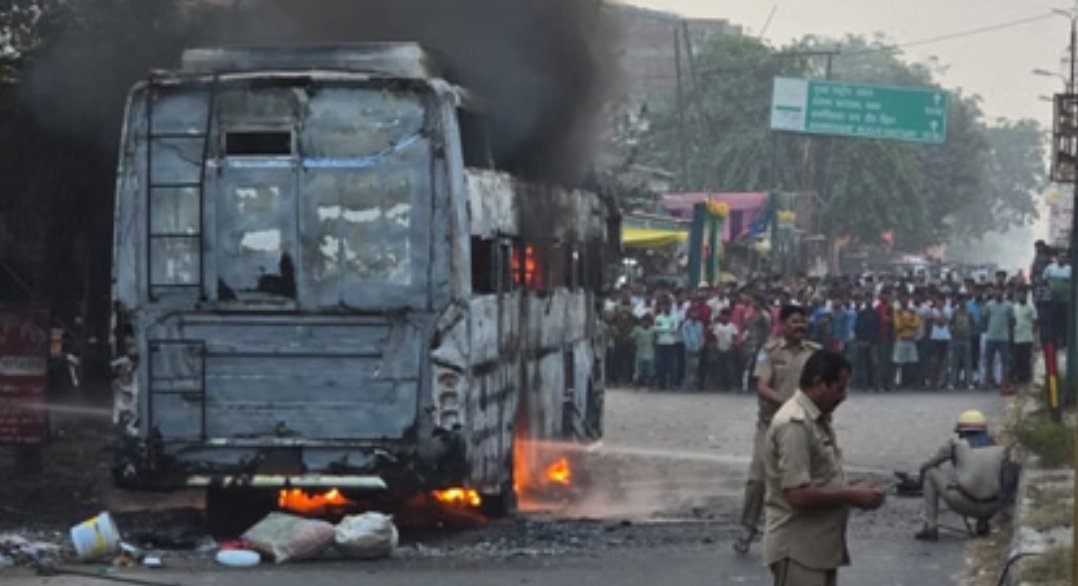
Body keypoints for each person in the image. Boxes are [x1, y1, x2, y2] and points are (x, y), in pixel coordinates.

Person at [762, 349, 887, 585]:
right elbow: (797, 494)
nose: (843, 396)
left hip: (816, 548)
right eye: (839, 388)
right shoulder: (795, 424)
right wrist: (852, 495)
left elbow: (821, 477)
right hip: (798, 549)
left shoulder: (815, 419)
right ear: (819, 383)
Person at [734, 305, 820, 554]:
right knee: (757, 478)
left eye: (803, 322)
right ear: (782, 325)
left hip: (803, 426)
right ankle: (747, 528)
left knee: (804, 480)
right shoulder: (768, 352)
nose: (799, 327)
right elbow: (762, 385)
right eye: (794, 322)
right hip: (770, 425)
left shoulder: (815, 354)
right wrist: (788, 403)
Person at [914, 410, 1008, 541]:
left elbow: (927, 466)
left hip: (965, 503)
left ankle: (930, 526)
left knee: (930, 474)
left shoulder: (955, 445)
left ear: (961, 431)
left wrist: (919, 481)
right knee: (989, 478)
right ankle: (982, 525)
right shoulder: (1001, 447)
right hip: (992, 507)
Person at [982, 289, 1013, 390]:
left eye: (1000, 291)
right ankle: (987, 382)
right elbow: (985, 319)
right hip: (991, 336)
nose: (998, 293)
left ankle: (1004, 383)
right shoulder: (989, 305)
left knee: (1005, 361)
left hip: (1003, 337)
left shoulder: (1009, 306)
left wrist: (1006, 329)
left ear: (1003, 292)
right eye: (996, 291)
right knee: (988, 360)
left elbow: (1012, 321)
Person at [853, 293, 881, 391]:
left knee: (875, 363)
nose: (868, 301)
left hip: (873, 342)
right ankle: (864, 384)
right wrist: (860, 339)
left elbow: (878, 328)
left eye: (870, 299)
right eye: (866, 299)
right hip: (862, 341)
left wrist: (873, 339)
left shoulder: (876, 313)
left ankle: (876, 384)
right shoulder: (861, 314)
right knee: (863, 363)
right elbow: (857, 328)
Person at [1011, 287, 1038, 385]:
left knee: (1026, 360)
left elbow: (1035, 323)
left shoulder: (1031, 307)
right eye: (1019, 294)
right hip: (1017, 337)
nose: (1020, 296)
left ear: (1026, 295)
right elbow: (1012, 321)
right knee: (1017, 360)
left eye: (1022, 294)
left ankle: (1026, 380)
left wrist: (1035, 339)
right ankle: (1019, 380)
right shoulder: (1014, 307)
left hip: (1027, 337)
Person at [893, 300, 921, 389]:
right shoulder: (898, 312)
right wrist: (909, 322)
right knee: (898, 362)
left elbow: (917, 324)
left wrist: (906, 322)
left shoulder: (912, 312)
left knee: (911, 362)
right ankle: (897, 381)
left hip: (911, 339)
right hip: (901, 339)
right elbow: (898, 326)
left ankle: (909, 382)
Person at [713, 309, 739, 392]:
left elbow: (735, 337)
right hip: (720, 348)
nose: (725, 318)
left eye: (726, 316)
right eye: (723, 316)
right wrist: (716, 346)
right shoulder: (718, 326)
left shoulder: (732, 326)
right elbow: (715, 337)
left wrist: (732, 346)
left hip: (729, 349)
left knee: (730, 368)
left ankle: (731, 385)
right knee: (720, 368)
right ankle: (720, 385)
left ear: (729, 317)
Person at [682, 307, 706, 390]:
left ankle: (694, 385)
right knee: (689, 367)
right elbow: (685, 337)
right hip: (689, 348)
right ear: (689, 314)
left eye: (695, 313)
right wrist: (689, 347)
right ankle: (688, 385)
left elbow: (701, 336)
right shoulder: (686, 324)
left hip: (698, 348)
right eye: (692, 313)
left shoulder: (700, 324)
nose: (694, 314)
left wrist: (701, 346)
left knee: (696, 367)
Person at [630, 315, 656, 388]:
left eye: (647, 321)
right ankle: (636, 384)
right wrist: (635, 345)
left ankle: (651, 384)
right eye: (644, 321)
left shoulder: (652, 330)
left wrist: (654, 342)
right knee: (638, 370)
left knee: (650, 370)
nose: (645, 323)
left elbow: (655, 338)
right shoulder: (637, 329)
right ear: (641, 322)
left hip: (650, 352)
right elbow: (631, 338)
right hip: (640, 352)